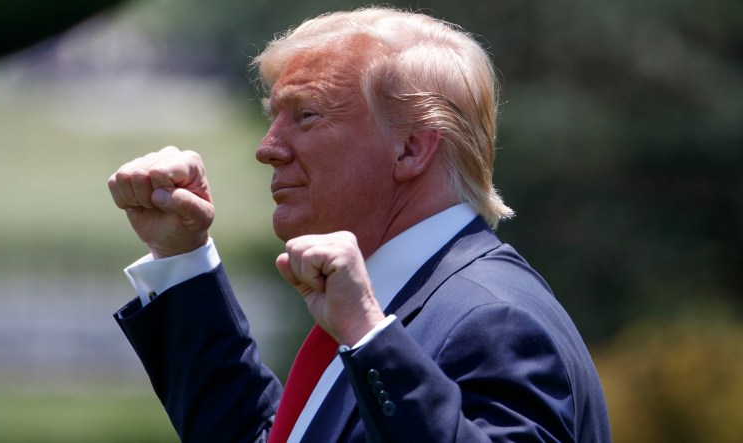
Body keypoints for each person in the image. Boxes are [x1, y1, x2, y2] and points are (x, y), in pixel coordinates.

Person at [108, 7, 611, 443]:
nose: (267, 148)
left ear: (411, 148)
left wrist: (369, 337)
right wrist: (181, 257)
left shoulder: (494, 320)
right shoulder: (391, 304)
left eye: (306, 115)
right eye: (273, 117)